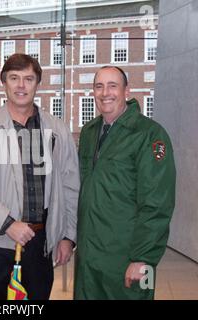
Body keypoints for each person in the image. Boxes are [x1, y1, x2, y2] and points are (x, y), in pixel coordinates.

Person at [0, 53, 80, 300]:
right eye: (14, 78)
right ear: (4, 82)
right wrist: (8, 224)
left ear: (38, 83)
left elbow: (70, 186)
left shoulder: (57, 131)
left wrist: (67, 236)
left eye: (28, 78)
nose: (21, 86)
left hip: (40, 246)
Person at [74, 66, 176, 300]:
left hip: (127, 260)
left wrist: (144, 258)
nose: (104, 93)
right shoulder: (89, 132)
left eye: (113, 86)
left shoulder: (150, 135)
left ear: (126, 91)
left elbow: (157, 203)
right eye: (98, 86)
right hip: (89, 259)